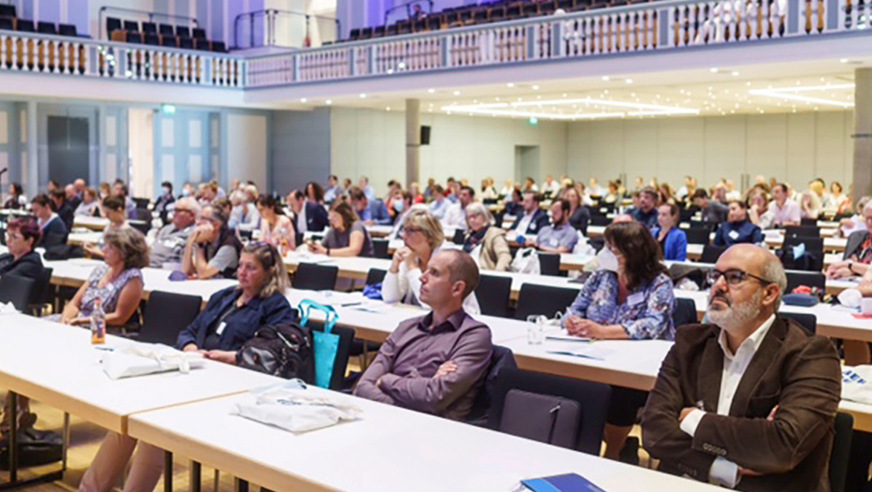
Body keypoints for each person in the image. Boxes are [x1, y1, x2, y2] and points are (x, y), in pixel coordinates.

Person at [80, 242, 295, 492]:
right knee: (130, 417)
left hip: (233, 387)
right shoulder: (225, 297)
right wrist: (192, 347)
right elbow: (188, 332)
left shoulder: (277, 307)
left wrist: (232, 357)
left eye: (251, 268)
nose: (242, 273)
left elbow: (274, 356)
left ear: (269, 272)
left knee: (153, 425)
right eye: (241, 266)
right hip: (195, 373)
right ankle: (90, 489)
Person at [641, 245, 840, 491]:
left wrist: (694, 420)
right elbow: (654, 431)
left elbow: (782, 447)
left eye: (735, 277)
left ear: (770, 294)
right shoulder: (689, 342)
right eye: (716, 276)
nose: (719, 286)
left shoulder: (811, 354)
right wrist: (725, 468)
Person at [564, 221, 675, 461]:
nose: (606, 254)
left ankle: (613, 453)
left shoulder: (659, 282)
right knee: (567, 383)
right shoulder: (601, 277)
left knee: (620, 394)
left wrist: (603, 331)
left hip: (638, 363)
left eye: (612, 249)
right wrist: (572, 321)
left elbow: (653, 325)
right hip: (593, 355)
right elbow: (574, 308)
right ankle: (583, 448)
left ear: (631, 252)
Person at [355, 249, 492, 421]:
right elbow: (363, 387)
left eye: (434, 273)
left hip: (432, 436)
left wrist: (386, 380)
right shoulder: (406, 327)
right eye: (426, 270)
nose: (422, 277)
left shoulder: (473, 336)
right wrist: (416, 393)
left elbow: (434, 397)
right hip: (380, 420)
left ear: (457, 288)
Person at [383, 208, 480, 314]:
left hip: (458, 323)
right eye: (404, 230)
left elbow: (431, 304)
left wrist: (412, 267)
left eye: (411, 231)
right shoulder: (412, 255)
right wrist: (394, 268)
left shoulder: (447, 258)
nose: (404, 236)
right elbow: (389, 298)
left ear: (429, 236)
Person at [0, 217, 44, 436]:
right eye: (7, 235)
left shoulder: (31, 263)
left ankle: (16, 411)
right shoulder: (8, 258)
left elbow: (5, 283)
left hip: (22, 325)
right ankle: (18, 411)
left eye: (14, 237)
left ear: (30, 241)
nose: (8, 240)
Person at [59, 228, 148, 329]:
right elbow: (75, 303)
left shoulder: (132, 278)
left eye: (110, 248)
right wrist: (64, 323)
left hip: (103, 330)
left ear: (124, 253)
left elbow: (120, 317)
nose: (104, 250)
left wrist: (81, 321)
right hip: (78, 323)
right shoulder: (100, 270)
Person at [182, 205, 242, 279]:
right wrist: (189, 242)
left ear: (216, 225)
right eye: (198, 218)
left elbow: (203, 274)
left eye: (203, 219)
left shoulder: (229, 245)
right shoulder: (206, 239)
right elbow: (187, 271)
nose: (197, 222)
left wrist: (200, 245)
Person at [308, 201, 374, 257]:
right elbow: (322, 246)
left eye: (335, 217)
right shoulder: (332, 230)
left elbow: (354, 250)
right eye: (330, 217)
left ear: (344, 216)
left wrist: (327, 252)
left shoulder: (356, 226)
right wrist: (315, 248)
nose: (332, 220)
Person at [827, 201, 872, 279]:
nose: (869, 222)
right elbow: (845, 263)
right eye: (867, 218)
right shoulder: (855, 237)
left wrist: (851, 267)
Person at [150, 197, 199, 268]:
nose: (174, 214)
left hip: (167, 269)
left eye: (178, 211)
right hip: (148, 266)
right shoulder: (166, 229)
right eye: (174, 210)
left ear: (192, 215)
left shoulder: (194, 233)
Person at [463, 203, 511, 271]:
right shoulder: (469, 236)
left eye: (474, 216)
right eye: (469, 217)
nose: (471, 220)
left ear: (484, 216)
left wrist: (497, 275)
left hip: (484, 274)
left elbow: (504, 256)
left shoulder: (494, 234)